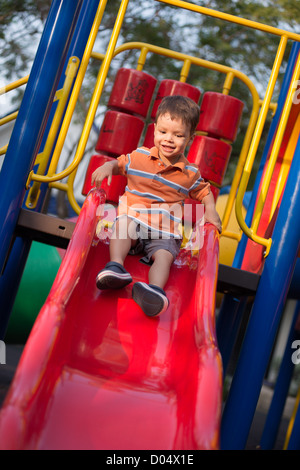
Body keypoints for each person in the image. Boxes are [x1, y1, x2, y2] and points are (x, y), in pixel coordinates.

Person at [91, 95, 222, 317]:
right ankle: (116, 266)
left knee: (164, 255)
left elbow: (204, 191)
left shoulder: (190, 173)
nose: (168, 139)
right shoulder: (140, 156)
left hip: (164, 231)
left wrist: (210, 210)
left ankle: (154, 291)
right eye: (163, 132)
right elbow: (120, 163)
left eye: (178, 135)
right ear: (154, 130)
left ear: (189, 138)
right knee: (122, 226)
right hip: (134, 220)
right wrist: (108, 167)